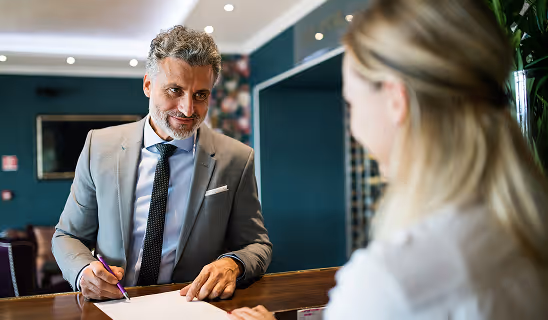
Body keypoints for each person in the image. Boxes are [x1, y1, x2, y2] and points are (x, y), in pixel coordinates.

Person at [228, 0, 548, 319]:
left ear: (397, 100)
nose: (353, 127)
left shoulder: (389, 282)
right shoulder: (531, 231)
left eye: (351, 104)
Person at [52, 26, 272, 301]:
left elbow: (257, 245)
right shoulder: (99, 146)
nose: (187, 109)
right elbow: (67, 236)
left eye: (201, 94)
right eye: (174, 90)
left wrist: (233, 264)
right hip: (114, 306)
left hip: (192, 308)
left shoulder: (237, 158)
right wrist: (83, 271)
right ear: (147, 85)